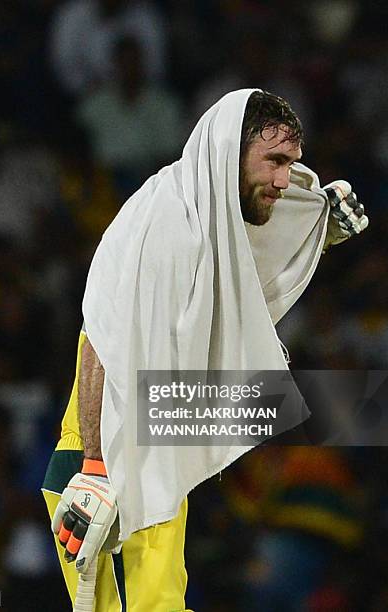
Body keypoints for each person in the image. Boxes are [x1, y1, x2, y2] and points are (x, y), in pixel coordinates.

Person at [42, 89, 368, 611]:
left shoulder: (208, 212)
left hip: (151, 447)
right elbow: (100, 337)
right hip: (109, 464)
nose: (284, 180)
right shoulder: (166, 223)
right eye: (275, 161)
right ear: (227, 152)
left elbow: (245, 265)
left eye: (293, 165)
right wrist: (96, 469)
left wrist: (316, 224)